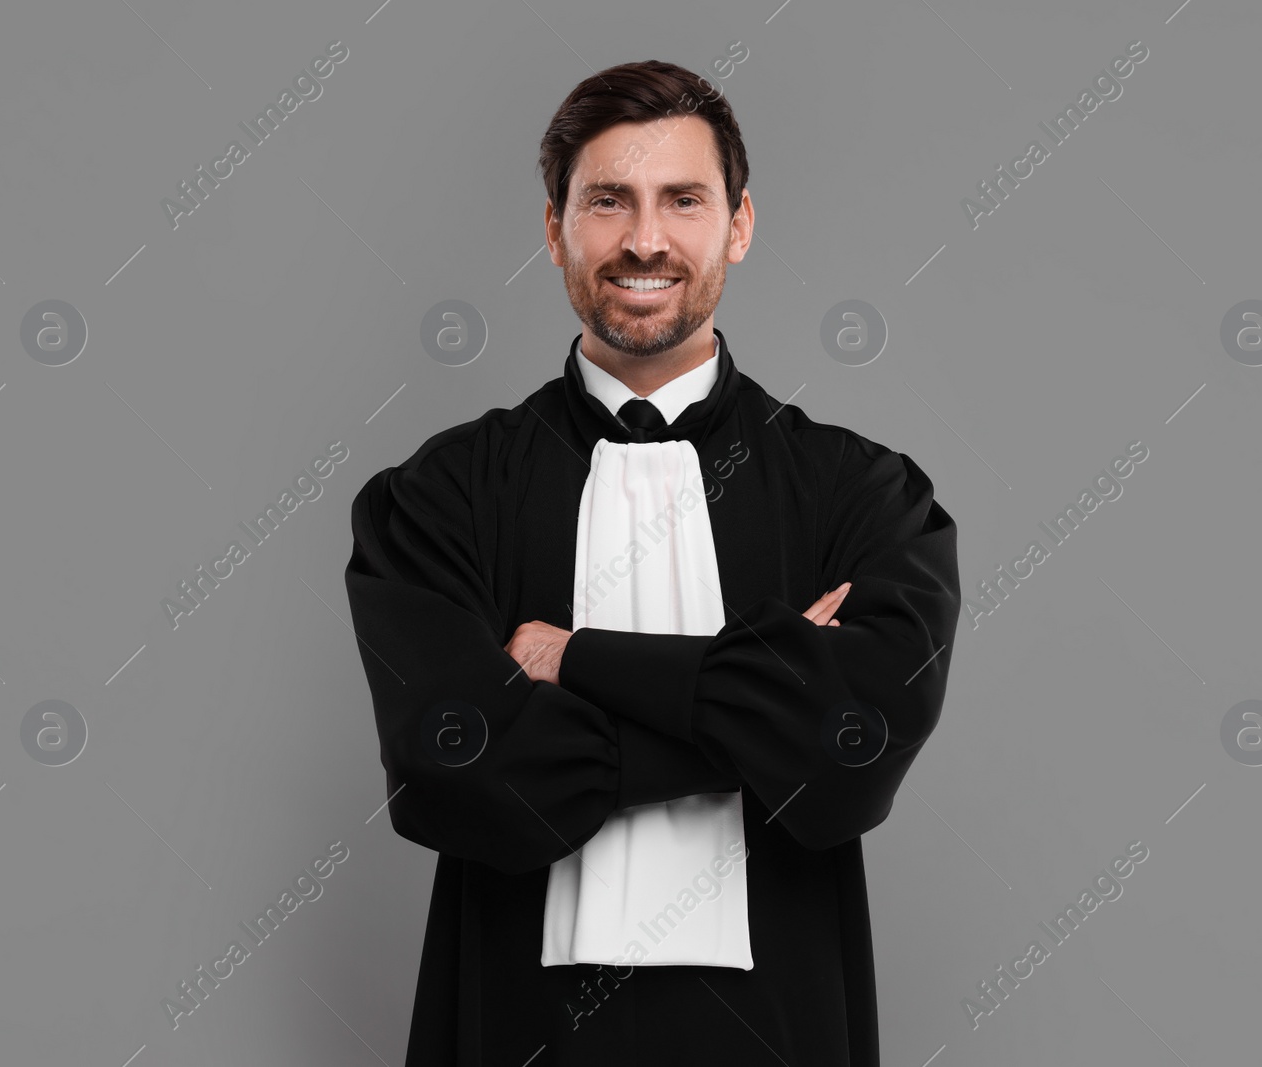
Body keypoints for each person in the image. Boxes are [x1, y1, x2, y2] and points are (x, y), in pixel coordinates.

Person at [343, 58, 961, 1066]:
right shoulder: (438, 497)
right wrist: (762, 711)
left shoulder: (865, 493)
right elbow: (454, 762)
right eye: (606, 201)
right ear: (554, 230)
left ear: (739, 223)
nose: (643, 238)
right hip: (514, 1031)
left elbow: (849, 753)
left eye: (683, 199)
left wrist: (575, 660)